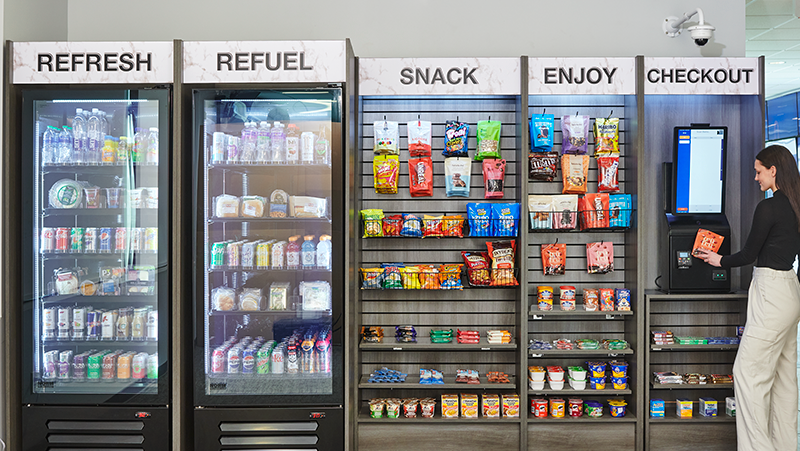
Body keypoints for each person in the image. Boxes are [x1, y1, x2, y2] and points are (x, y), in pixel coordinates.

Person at [696, 145, 800, 451]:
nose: (756, 178)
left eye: (758, 171)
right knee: (783, 377)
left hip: (770, 291)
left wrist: (719, 260)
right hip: (791, 290)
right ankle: (784, 445)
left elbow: (749, 254)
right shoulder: (796, 205)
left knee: (747, 373)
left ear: (773, 170)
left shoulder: (768, 207)